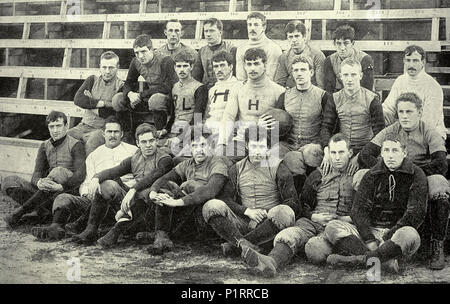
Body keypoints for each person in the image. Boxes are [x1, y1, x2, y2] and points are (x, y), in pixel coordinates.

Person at [239, 133, 356, 277]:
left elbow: (363, 211)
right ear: (328, 153)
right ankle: (270, 262)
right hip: (313, 223)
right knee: (288, 235)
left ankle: (341, 257)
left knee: (315, 250)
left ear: (350, 153)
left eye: (341, 152)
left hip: (341, 226)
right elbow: (303, 205)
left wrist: (343, 219)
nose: (337, 157)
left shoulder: (357, 176)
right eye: (333, 152)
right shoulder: (318, 175)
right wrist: (313, 216)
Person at [359, 92, 449, 270]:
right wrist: (383, 170)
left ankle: (436, 243)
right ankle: (371, 234)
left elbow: (440, 163)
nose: (405, 116)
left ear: (419, 112)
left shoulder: (428, 131)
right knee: (360, 175)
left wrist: (414, 174)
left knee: (439, 184)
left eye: (409, 111)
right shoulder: (391, 130)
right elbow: (365, 154)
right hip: (391, 173)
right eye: (401, 112)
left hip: (420, 174)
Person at [324, 133, 427, 273]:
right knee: (332, 227)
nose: (390, 155)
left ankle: (359, 260)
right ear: (381, 153)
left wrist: (388, 237)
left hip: (396, 235)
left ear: (404, 152)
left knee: (410, 234)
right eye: (386, 150)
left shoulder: (416, 174)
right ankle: (384, 261)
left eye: (395, 150)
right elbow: (358, 210)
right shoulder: (372, 174)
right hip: (372, 232)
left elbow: (415, 213)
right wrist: (370, 240)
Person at [30, 116, 138, 241]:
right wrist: (87, 194)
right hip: (96, 200)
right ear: (103, 134)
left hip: (122, 198)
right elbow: (86, 182)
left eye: (116, 132)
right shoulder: (94, 155)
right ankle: (56, 228)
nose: (112, 135)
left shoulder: (133, 151)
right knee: (63, 197)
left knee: (109, 184)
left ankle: (86, 227)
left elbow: (139, 176)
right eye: (109, 132)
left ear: (122, 134)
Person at [202, 127, 298, 263]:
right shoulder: (237, 168)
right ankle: (245, 245)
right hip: (244, 222)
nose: (257, 151)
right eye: (254, 146)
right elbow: (225, 199)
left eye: (261, 146)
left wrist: (266, 213)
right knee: (211, 206)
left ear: (268, 148)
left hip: (269, 225)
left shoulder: (279, 168)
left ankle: (238, 246)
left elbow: (292, 202)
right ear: (247, 145)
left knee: (285, 212)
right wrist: (247, 211)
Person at [71, 123, 173, 246]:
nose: (148, 145)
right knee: (106, 185)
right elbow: (113, 171)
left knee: (150, 193)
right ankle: (91, 229)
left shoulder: (165, 159)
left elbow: (153, 177)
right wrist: (96, 178)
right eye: (144, 142)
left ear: (157, 141)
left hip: (154, 206)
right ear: (137, 143)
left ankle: (157, 236)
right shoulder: (135, 158)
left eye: (151, 141)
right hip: (137, 203)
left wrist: (133, 190)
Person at [147, 129, 230, 254]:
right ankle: (161, 235)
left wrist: (177, 201)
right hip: (188, 211)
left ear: (211, 146)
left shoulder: (217, 163)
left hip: (206, 215)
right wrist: (153, 192)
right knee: (167, 187)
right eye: (194, 146)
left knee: (188, 185)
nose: (199, 150)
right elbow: (165, 178)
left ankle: (160, 234)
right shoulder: (188, 164)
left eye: (203, 145)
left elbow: (210, 191)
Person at [3, 111, 86, 228]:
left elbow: (80, 175)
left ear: (66, 126)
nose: (55, 130)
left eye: (59, 126)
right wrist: (39, 182)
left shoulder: (76, 145)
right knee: (9, 181)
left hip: (66, 193)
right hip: (47, 192)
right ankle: (44, 213)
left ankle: (21, 212)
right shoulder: (44, 146)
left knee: (58, 171)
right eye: (52, 127)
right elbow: (37, 173)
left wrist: (62, 186)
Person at [320, 57, 384, 176]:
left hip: (366, 149)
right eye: (346, 75)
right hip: (341, 149)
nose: (349, 79)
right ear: (340, 76)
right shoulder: (334, 98)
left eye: (353, 74)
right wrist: (327, 150)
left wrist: (360, 157)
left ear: (360, 75)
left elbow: (380, 133)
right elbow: (326, 127)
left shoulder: (372, 99)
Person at [218, 48, 285, 160]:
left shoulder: (278, 91)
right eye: (249, 64)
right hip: (241, 141)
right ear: (244, 66)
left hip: (265, 143)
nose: (252, 68)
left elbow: (281, 124)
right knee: (223, 160)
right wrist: (222, 143)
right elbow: (228, 116)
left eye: (257, 64)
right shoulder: (238, 88)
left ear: (265, 65)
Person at [112, 34, 178, 134]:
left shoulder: (165, 60)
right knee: (117, 99)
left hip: (168, 100)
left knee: (156, 99)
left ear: (152, 49)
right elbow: (128, 82)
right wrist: (130, 94)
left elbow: (167, 86)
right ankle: (126, 133)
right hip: (148, 96)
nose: (140, 56)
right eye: (137, 53)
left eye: (143, 51)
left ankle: (160, 133)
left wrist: (141, 95)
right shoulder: (135, 62)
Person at [382, 45, 446, 140]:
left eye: (415, 61)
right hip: (403, 130)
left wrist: (405, 135)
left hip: (429, 133)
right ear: (404, 61)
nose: (411, 65)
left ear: (423, 62)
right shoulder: (400, 81)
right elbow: (388, 108)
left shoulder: (432, 86)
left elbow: (429, 121)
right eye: (408, 60)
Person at [68, 51, 124, 156]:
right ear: (100, 67)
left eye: (111, 67)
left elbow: (111, 114)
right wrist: (104, 103)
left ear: (118, 67)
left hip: (102, 129)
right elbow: (78, 99)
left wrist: (90, 102)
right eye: (104, 67)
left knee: (92, 143)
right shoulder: (92, 80)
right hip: (83, 126)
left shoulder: (121, 86)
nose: (107, 71)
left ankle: (90, 172)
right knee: (66, 137)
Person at [157, 50, 208, 157]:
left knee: (165, 155)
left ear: (192, 67)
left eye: (185, 66)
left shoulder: (199, 88)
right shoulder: (174, 87)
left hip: (191, 134)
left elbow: (197, 119)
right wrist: (165, 129)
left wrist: (180, 137)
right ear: (175, 68)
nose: (182, 70)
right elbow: (174, 113)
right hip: (174, 132)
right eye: (179, 66)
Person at [274, 20, 325, 89]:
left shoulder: (317, 55)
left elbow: (321, 86)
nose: (294, 40)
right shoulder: (284, 57)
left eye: (297, 36)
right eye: (290, 37)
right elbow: (279, 83)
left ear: (304, 37)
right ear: (287, 38)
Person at [323, 24, 374, 93]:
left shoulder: (364, 59)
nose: (342, 48)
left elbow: (367, 90)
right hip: (343, 97)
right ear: (334, 44)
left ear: (352, 43)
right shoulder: (330, 60)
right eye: (338, 43)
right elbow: (329, 89)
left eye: (346, 43)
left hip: (364, 97)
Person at [203, 51, 240, 145]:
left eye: (222, 65)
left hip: (229, 131)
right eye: (216, 66)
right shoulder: (212, 90)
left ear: (231, 67)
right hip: (210, 131)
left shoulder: (239, 86)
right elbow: (208, 114)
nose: (219, 69)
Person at [235, 12, 282, 81]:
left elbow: (270, 78)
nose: (252, 28)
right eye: (250, 25)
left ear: (264, 27)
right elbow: (241, 78)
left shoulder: (273, 48)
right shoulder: (241, 49)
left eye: (256, 25)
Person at [192, 18, 237, 89]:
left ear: (220, 32)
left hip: (226, 89)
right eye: (206, 31)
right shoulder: (202, 51)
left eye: (212, 31)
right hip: (206, 90)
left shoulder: (231, 49)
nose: (208, 34)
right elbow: (196, 77)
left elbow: (235, 75)